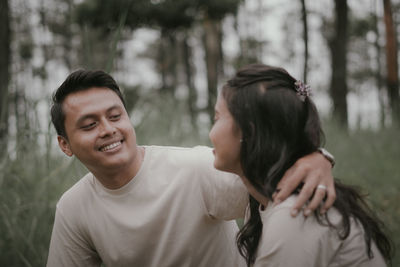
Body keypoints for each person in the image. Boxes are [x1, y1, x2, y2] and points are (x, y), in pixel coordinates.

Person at [47, 69, 335, 267]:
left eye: (115, 116)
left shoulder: (194, 169)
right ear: (65, 144)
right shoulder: (74, 208)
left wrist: (316, 157)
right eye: (89, 125)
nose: (108, 130)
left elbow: (272, 178)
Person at [209, 63, 393, 267]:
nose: (211, 133)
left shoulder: (294, 213)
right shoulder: (263, 199)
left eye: (217, 117)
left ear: (249, 132)